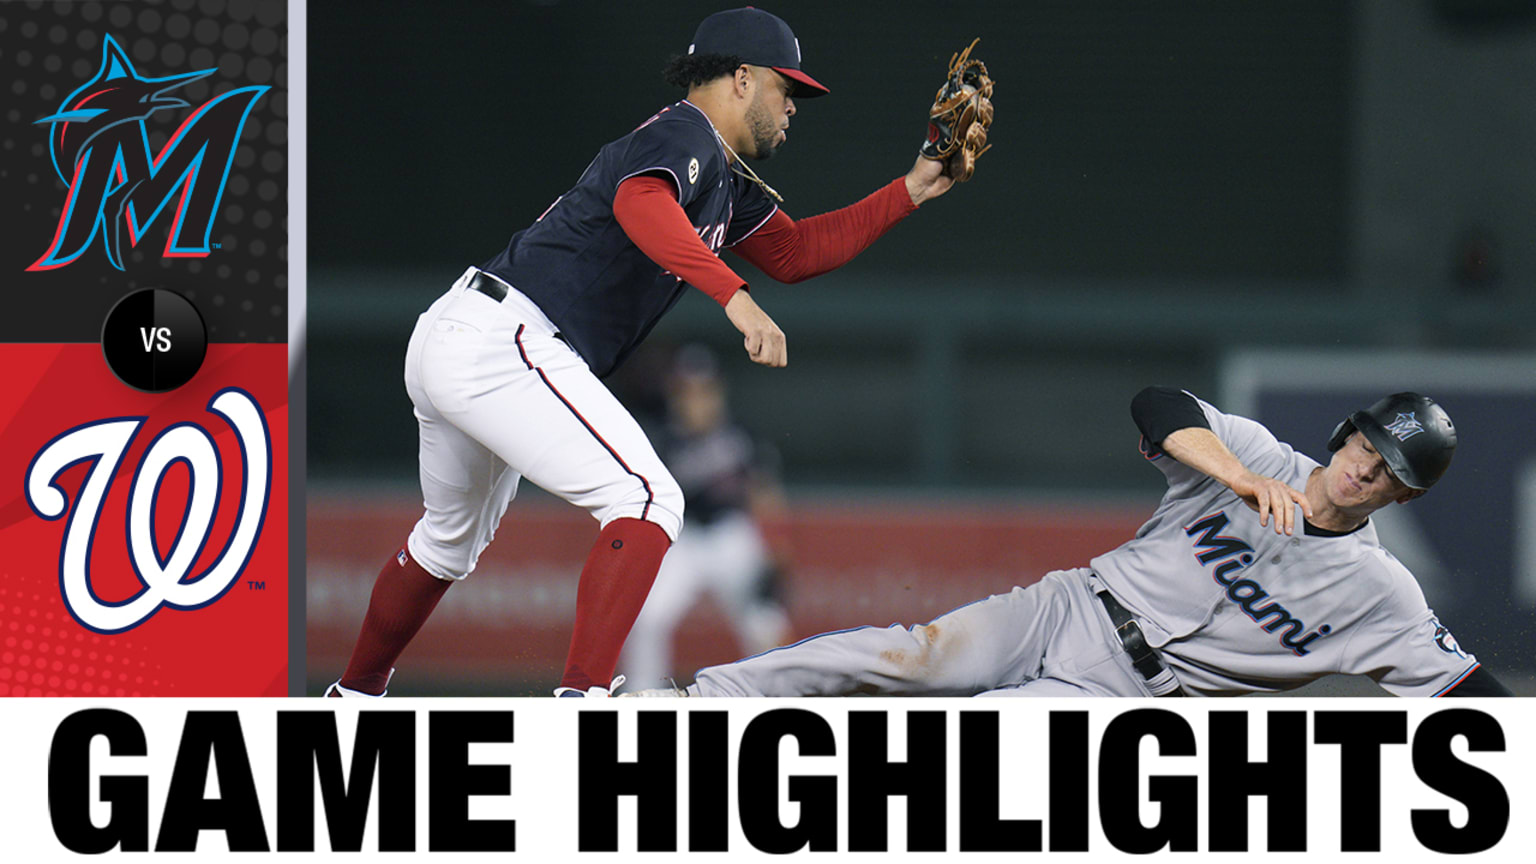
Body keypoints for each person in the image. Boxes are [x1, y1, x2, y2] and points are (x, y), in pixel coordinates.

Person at [326, 8, 962, 697]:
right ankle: (580, 698)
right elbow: (641, 204)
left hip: (465, 333)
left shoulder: (722, 177)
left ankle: (353, 696)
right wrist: (734, 297)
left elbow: (797, 251)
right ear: (742, 79)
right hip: (507, 339)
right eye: (787, 89)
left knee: (449, 540)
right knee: (648, 496)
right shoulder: (684, 133)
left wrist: (912, 188)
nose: (792, 107)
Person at [625, 388, 1514, 698]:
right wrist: (1241, 481)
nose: (1367, 468)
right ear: (1346, 435)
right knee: (906, 657)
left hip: (1128, 698)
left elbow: (1471, 690)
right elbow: (1158, 407)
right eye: (1367, 445)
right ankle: (695, 704)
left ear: (1408, 491)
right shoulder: (1252, 455)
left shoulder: (1380, 591)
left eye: (1391, 468)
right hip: (1073, 606)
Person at [619, 345, 793, 690]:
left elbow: (766, 495)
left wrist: (777, 553)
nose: (696, 401)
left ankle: (777, 695)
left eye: (704, 391)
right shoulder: (660, 440)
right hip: (682, 541)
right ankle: (641, 697)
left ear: (718, 391)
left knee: (765, 622)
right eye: (688, 392)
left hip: (732, 535)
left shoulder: (741, 435)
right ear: (675, 394)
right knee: (647, 617)